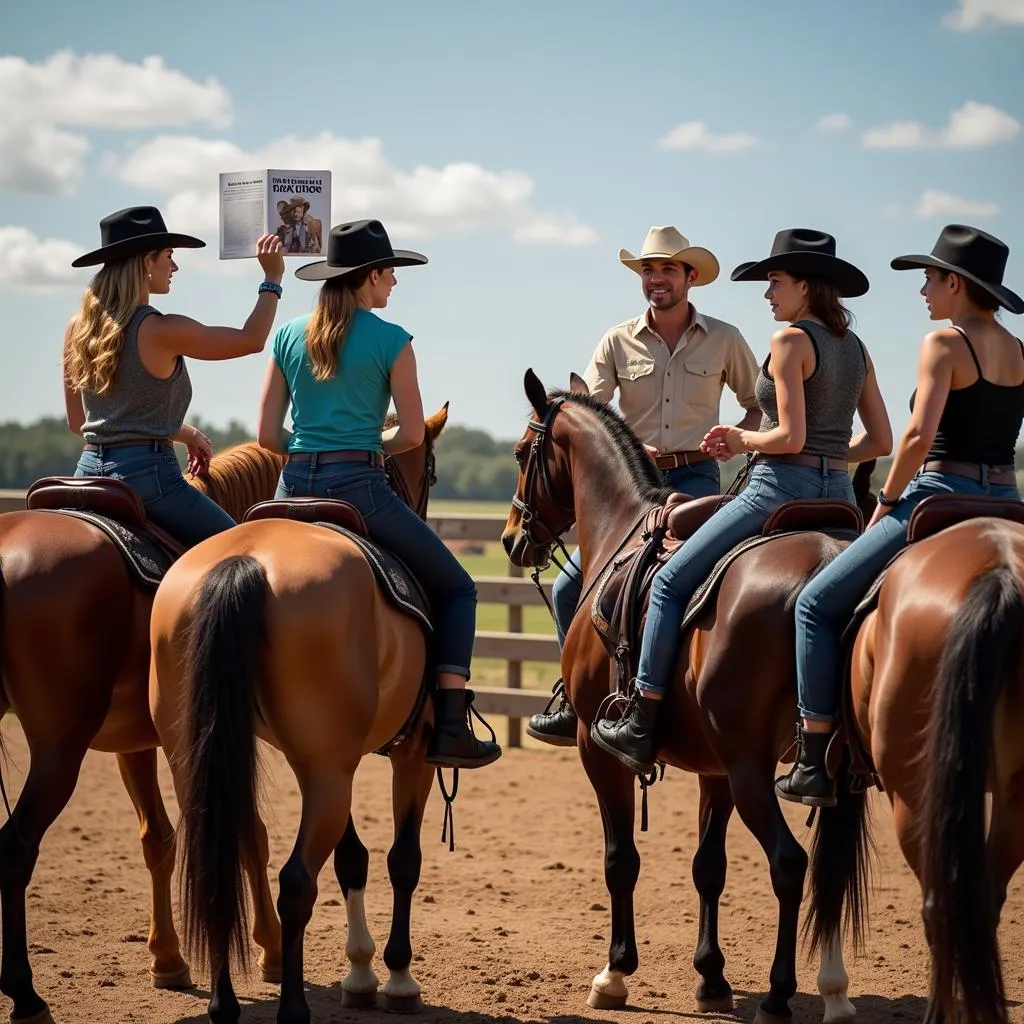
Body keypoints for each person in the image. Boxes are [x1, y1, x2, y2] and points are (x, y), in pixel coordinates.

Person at [589, 228, 892, 774]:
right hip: (840, 497)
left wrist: (740, 439)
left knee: (669, 582)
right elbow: (880, 442)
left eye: (775, 283)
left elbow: (788, 438)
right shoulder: (857, 348)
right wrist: (831, 460)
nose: (768, 294)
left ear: (804, 285)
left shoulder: (790, 341)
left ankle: (642, 716)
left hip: (777, 490)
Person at [777, 224, 1024, 807]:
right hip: (1008, 501)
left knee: (814, 603)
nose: (923, 293)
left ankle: (814, 753)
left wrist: (888, 500)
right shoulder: (1017, 350)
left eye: (930, 279)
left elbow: (916, 435)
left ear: (957, 286)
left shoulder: (943, 342)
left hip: (941, 491)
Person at [256, 218, 501, 770]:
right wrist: (364, 441)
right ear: (368, 278)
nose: (394, 284)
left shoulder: (288, 335)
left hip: (289, 488)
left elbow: (268, 436)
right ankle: (453, 721)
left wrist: (311, 447)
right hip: (360, 489)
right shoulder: (393, 341)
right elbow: (413, 435)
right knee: (459, 588)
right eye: (390, 273)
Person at [528, 225, 762, 746]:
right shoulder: (616, 339)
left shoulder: (726, 338)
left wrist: (737, 438)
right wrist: (629, 442)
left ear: (690, 277)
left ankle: (703, 694)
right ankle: (577, 694)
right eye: (648, 271)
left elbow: (758, 403)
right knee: (571, 588)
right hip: (634, 486)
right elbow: (589, 403)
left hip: (700, 478)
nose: (655, 279)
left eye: (666, 270)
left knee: (712, 582)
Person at [63, 205, 285, 546]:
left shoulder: (77, 329)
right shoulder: (161, 329)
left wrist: (184, 432)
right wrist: (272, 279)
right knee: (244, 551)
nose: (175, 266)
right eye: (168, 255)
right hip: (148, 479)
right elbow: (251, 340)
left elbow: (80, 423)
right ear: (145, 262)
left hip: (87, 473)